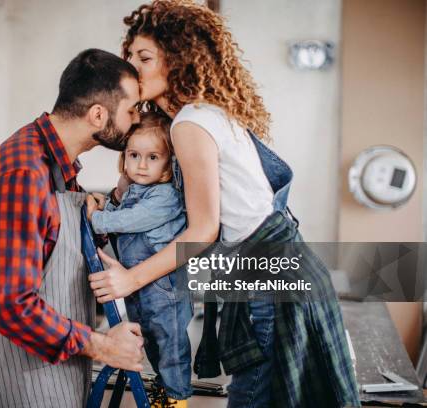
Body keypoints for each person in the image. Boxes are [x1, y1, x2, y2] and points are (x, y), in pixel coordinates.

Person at [87, 1, 361, 407]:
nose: (131, 67)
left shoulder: (190, 124)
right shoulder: (204, 114)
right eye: (129, 56)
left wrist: (131, 279)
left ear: (178, 59)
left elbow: (202, 231)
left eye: (143, 57)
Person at [0, 48, 145, 408]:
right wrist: (103, 346)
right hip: (18, 374)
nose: (138, 118)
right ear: (98, 114)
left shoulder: (57, 166)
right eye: (132, 109)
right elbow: (12, 306)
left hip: (53, 368)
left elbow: (51, 244)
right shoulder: (22, 174)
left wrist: (93, 219)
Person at [87, 112, 193, 407]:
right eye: (134, 155)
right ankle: (164, 384)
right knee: (151, 337)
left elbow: (131, 220)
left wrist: (98, 219)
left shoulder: (166, 196)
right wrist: (111, 198)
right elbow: (121, 206)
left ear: (168, 163)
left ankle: (177, 397)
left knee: (170, 341)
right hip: (139, 283)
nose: (142, 164)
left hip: (164, 286)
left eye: (152, 157)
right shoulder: (136, 190)